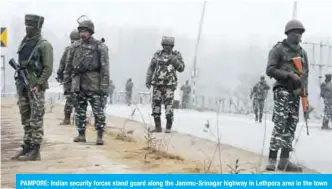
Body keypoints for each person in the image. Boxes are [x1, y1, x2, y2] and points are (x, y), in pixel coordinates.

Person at [265, 19, 309, 172]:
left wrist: (305, 97)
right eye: (295, 32)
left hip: (296, 94)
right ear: (288, 33)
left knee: (291, 125)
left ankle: (284, 160)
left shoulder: (303, 53)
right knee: (280, 123)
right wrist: (288, 75)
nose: (298, 35)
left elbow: (305, 75)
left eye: (300, 32)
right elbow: (270, 70)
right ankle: (272, 158)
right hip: (283, 90)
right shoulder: (278, 49)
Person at [12, 14, 53, 161]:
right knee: (26, 118)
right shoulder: (25, 42)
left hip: (35, 86)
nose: (28, 28)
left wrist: (39, 84)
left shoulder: (44, 45)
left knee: (36, 118)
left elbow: (48, 68)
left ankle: (35, 150)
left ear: (37, 27)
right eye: (26, 25)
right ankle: (27, 146)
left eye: (31, 25)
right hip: (22, 85)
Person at [63, 19, 110, 145]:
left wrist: (104, 87)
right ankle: (81, 134)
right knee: (79, 110)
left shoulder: (100, 47)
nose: (83, 34)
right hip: (78, 83)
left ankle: (99, 136)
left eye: (85, 31)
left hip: (94, 83)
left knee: (98, 111)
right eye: (81, 31)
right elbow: (68, 67)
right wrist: (67, 85)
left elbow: (105, 69)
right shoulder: (74, 47)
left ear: (91, 32)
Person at [145, 36, 185, 133]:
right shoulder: (157, 55)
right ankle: (157, 126)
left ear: (172, 46)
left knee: (169, 106)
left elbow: (181, 68)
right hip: (157, 84)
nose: (167, 47)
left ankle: (168, 127)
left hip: (169, 85)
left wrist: (174, 60)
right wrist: (148, 80)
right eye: (165, 45)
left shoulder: (176, 55)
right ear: (162, 45)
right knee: (156, 105)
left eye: (169, 46)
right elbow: (151, 67)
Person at [56, 29, 80, 125]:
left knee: (69, 99)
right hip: (79, 79)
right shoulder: (82, 48)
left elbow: (62, 64)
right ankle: (79, 120)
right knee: (79, 100)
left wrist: (59, 75)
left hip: (69, 78)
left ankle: (67, 119)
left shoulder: (68, 49)